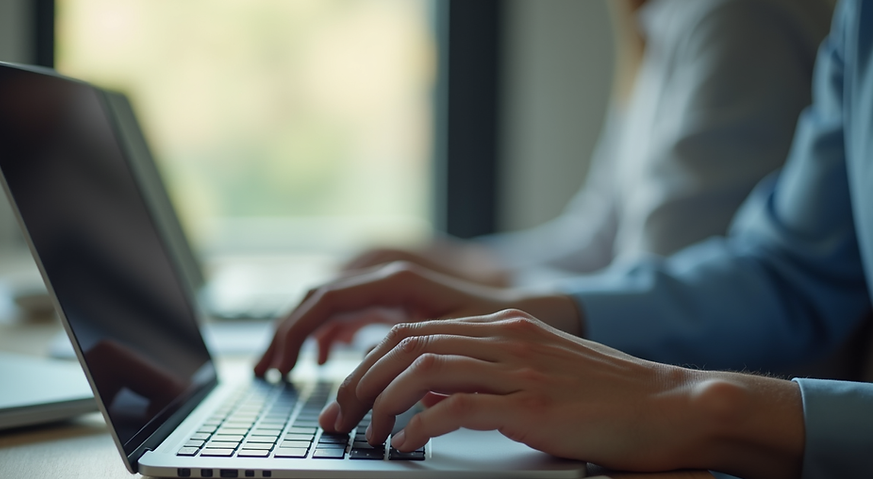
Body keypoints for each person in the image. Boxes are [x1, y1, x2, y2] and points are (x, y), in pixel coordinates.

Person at [254, 0, 873, 479]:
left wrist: (700, 403)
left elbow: (666, 260)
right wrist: (510, 302)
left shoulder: (735, 17)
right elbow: (791, 268)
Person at [344, 0, 832, 290]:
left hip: (719, 434)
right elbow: (599, 239)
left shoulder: (735, 19)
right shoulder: (659, 23)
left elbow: (660, 287)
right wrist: (447, 265)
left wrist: (473, 292)